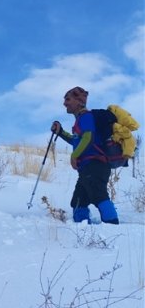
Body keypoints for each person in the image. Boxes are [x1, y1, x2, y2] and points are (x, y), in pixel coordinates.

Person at [51, 86, 119, 224]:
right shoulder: (80, 120)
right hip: (88, 167)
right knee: (78, 200)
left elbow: (88, 137)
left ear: (79, 101)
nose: (65, 103)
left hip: (95, 164)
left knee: (99, 195)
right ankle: (82, 228)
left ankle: (114, 226)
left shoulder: (86, 117)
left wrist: (74, 156)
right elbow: (76, 140)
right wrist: (61, 132)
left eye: (68, 99)